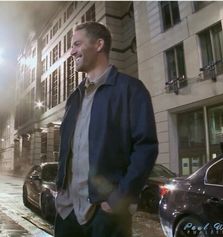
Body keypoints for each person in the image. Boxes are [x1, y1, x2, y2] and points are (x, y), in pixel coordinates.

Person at [54, 21, 158, 237]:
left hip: (105, 215)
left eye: (76, 44)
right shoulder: (74, 98)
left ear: (99, 44)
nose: (71, 52)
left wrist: (120, 198)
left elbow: (146, 147)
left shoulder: (130, 89)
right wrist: (61, 192)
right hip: (68, 212)